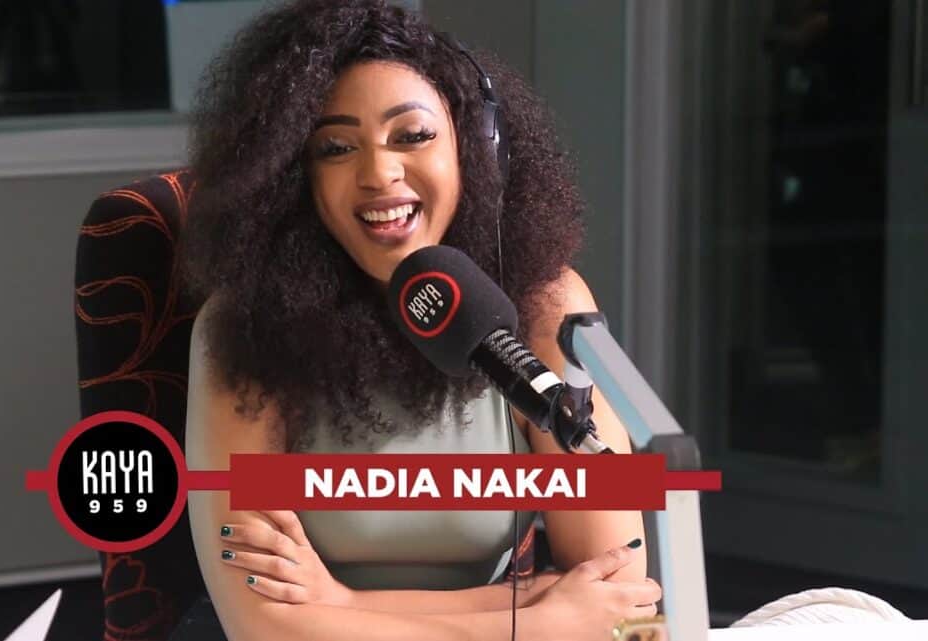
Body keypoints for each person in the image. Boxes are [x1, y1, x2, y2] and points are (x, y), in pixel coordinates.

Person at [179, 1, 661, 640]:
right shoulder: (243, 330)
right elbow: (265, 629)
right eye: (336, 147)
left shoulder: (546, 308)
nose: (379, 174)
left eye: (412, 136)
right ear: (294, 177)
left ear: (475, 148)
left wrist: (344, 605)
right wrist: (534, 620)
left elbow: (621, 597)